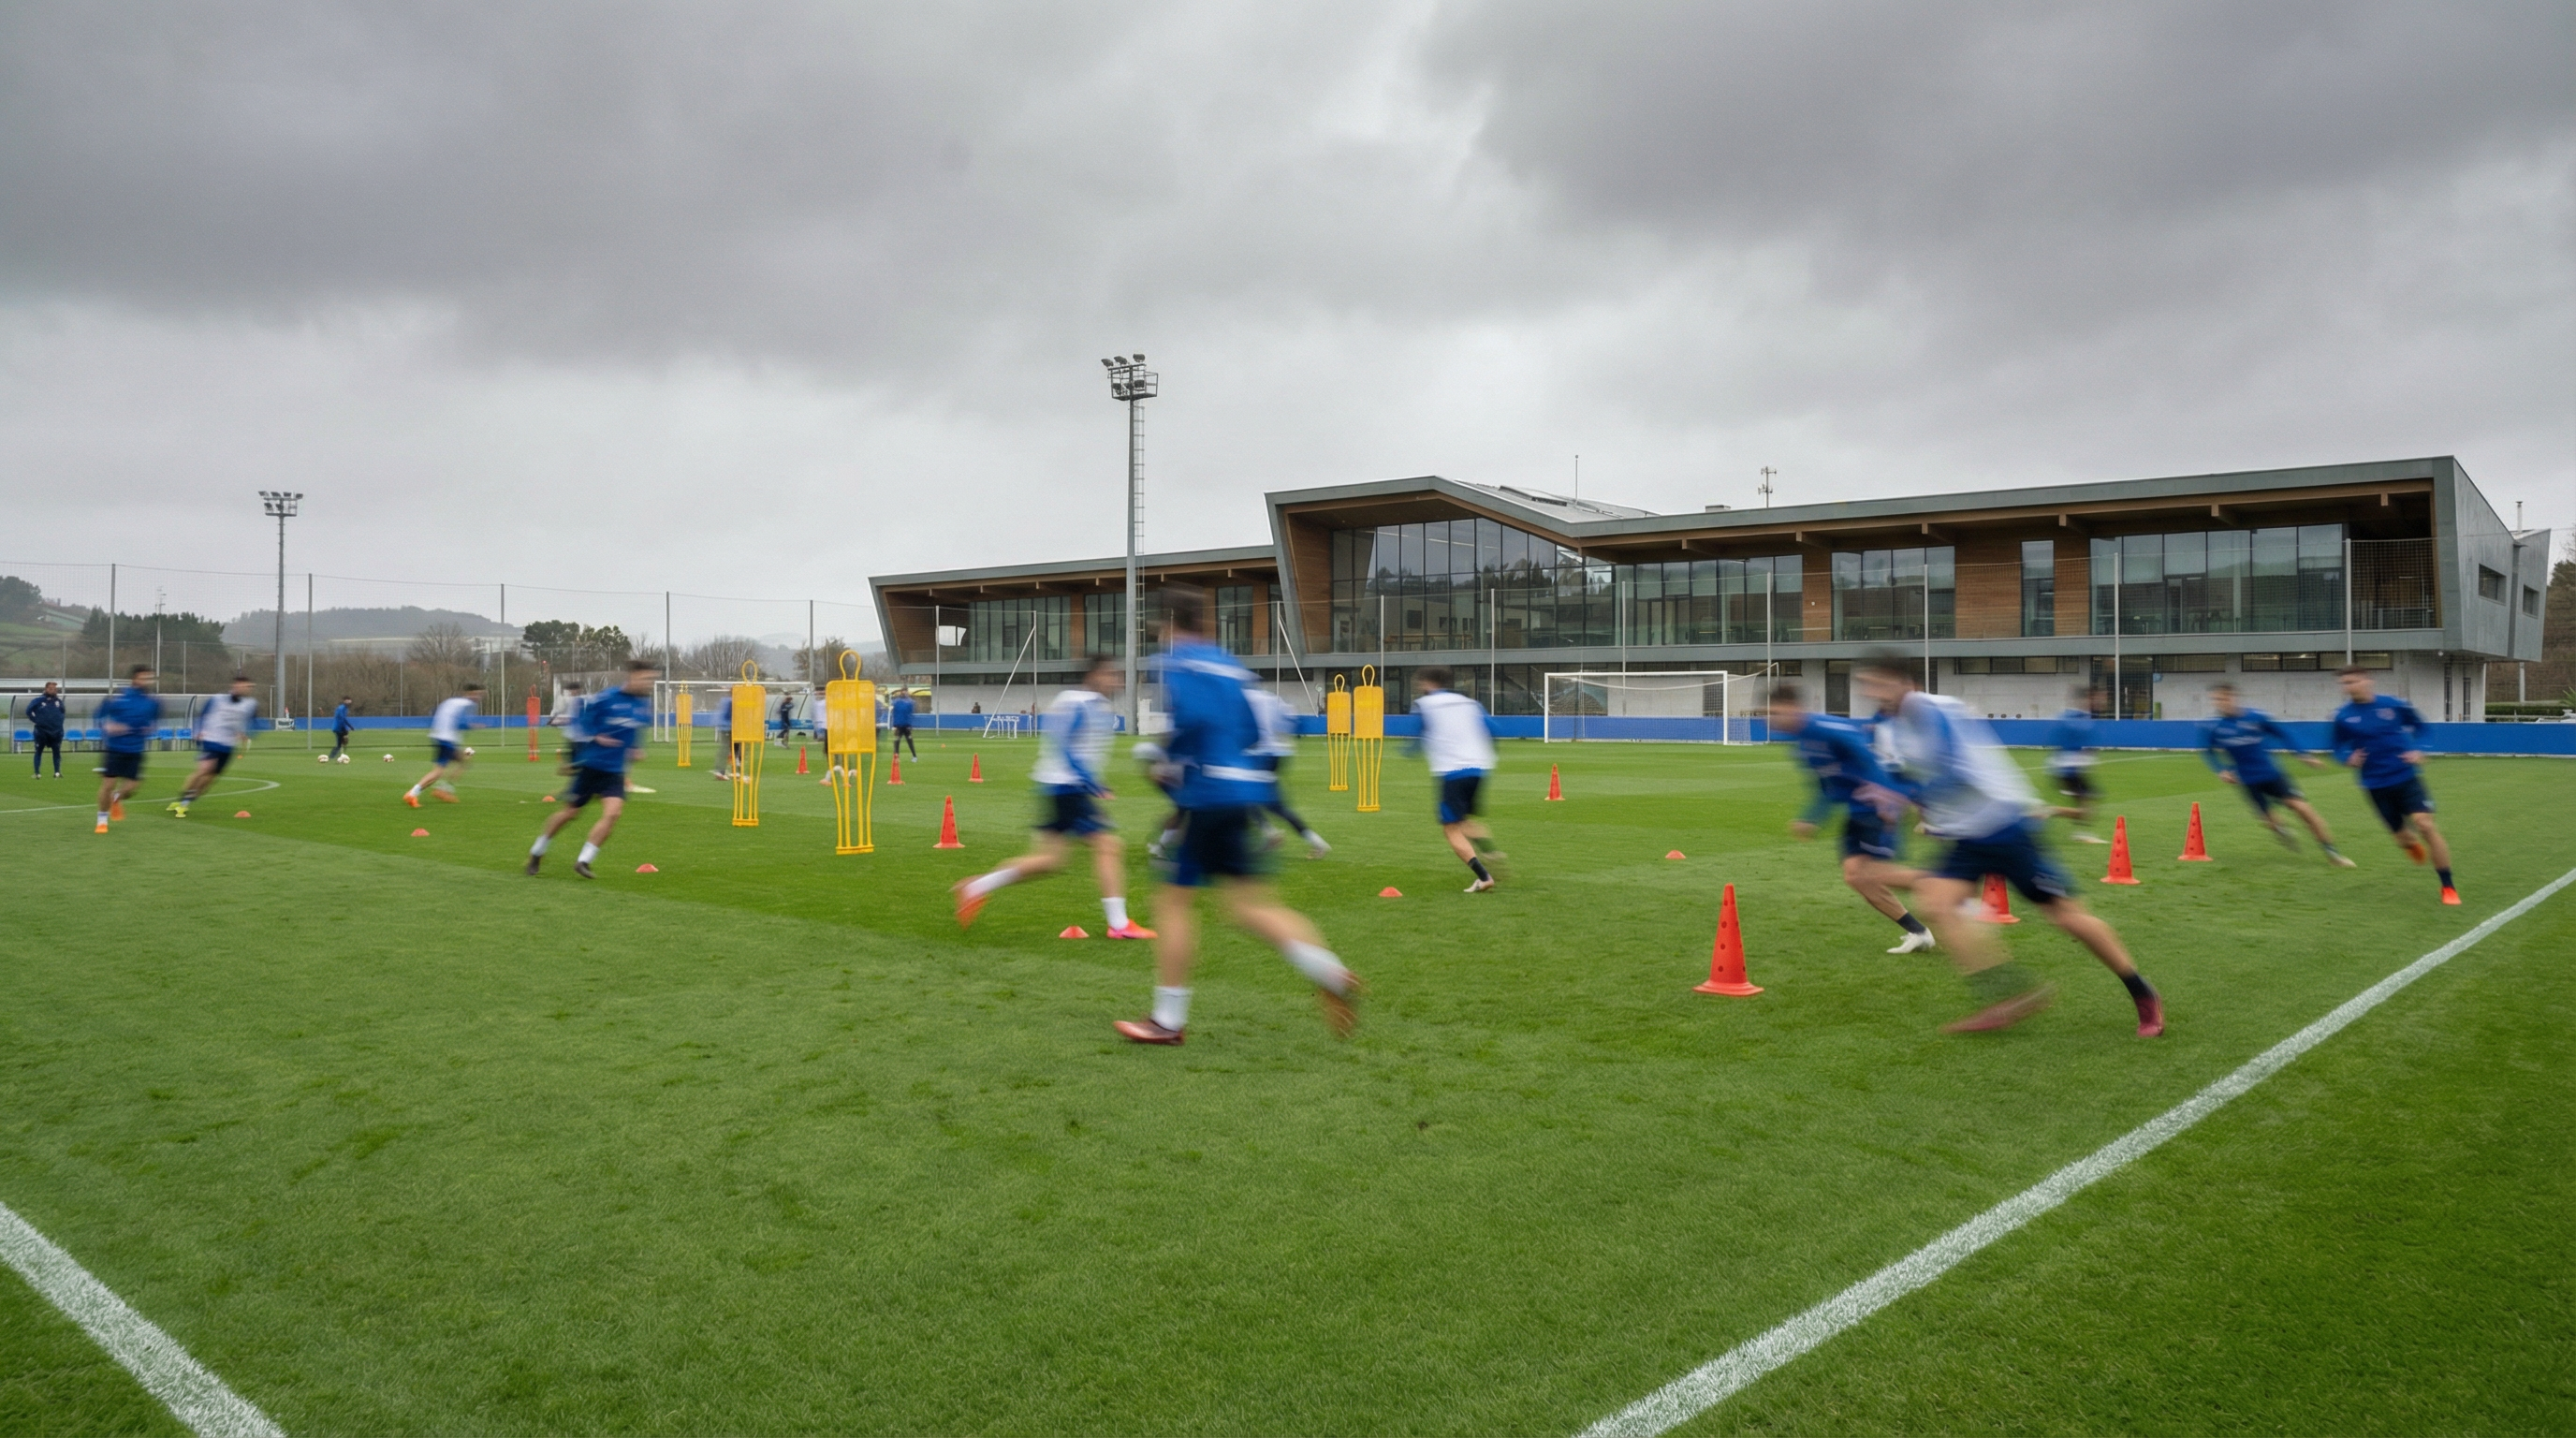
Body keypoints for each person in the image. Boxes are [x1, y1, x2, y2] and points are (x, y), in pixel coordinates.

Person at [1854, 652, 2162, 1036]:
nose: (1872, 692)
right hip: (1966, 836)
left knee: (2067, 917)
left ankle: (2141, 991)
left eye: (1879, 682)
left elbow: (1948, 768)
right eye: (1867, 684)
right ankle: (2006, 997)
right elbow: (1910, 776)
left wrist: (1905, 796)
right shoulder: (1896, 726)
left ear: (1905, 682)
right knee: (1936, 903)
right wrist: (1902, 799)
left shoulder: (1932, 710)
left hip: (2003, 825)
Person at [1113, 585, 1361, 1045]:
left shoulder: (1174, 662)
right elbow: (1249, 730)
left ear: (1166, 624)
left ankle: (1168, 1021)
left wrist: (1166, 758)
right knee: (1249, 907)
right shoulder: (1231, 665)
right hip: (1242, 791)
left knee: (1172, 902)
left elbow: (1190, 720)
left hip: (1205, 793)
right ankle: (1330, 971)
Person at [952, 653, 1155, 939]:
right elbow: (1063, 744)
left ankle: (975, 888)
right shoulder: (1079, 702)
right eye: (1110, 674)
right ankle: (1119, 925)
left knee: (1050, 860)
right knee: (1109, 846)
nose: (1116, 680)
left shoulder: (1089, 703)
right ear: (1093, 675)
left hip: (1057, 786)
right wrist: (1089, 780)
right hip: (1067, 788)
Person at [1767, 682, 1937, 953]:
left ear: (1794, 708)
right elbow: (1827, 789)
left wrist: (1889, 798)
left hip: (1876, 807)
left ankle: (1950, 886)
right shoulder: (1802, 746)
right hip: (1856, 811)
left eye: (1775, 712)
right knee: (1856, 877)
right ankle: (1919, 932)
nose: (1771, 719)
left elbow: (1869, 759)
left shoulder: (1827, 728)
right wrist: (1812, 818)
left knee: (1872, 873)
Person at [2331, 666, 2456, 903]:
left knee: (2425, 824)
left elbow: (2422, 728)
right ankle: (2410, 844)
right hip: (2375, 785)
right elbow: (2336, 747)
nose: (2349, 686)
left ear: (2368, 681)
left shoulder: (2393, 704)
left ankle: (2448, 887)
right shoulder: (2343, 716)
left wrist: (2419, 749)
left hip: (2406, 777)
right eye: (2345, 683)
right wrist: (2347, 758)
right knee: (2404, 840)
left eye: (2353, 681)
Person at [527, 660, 657, 879]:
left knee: (613, 813)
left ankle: (583, 860)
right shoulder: (607, 698)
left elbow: (637, 730)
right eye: (646, 679)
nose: (649, 684)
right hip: (592, 766)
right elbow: (581, 723)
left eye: (651, 680)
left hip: (614, 772)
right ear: (633, 677)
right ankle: (537, 852)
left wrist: (635, 748)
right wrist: (596, 735)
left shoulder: (642, 705)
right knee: (570, 813)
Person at [2202, 682, 2352, 865]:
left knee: (2304, 810)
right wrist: (2221, 769)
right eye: (2216, 699)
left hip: (2272, 775)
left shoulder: (2255, 717)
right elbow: (2207, 751)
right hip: (2247, 781)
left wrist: (2302, 754)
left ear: (2233, 697)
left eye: (2223, 698)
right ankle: (2280, 829)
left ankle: (2333, 855)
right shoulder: (2213, 726)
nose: (2220, 702)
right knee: (2272, 824)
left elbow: (2284, 734)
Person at [1412, 667, 1503, 891]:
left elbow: (1417, 740)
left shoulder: (1425, 705)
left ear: (1426, 683)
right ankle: (1490, 850)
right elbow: (1493, 730)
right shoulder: (1469, 703)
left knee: (1450, 828)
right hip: (1479, 768)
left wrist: (1411, 750)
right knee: (1461, 820)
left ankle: (1484, 877)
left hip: (1452, 771)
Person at [1250, 684, 1330, 858]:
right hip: (1277, 753)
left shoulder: (1242, 699)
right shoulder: (1270, 697)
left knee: (1244, 798)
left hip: (1259, 755)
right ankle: (1310, 841)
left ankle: (1273, 834)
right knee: (1260, 802)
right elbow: (1292, 719)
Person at [169, 675, 257, 816]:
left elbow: (253, 724)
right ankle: (183, 803)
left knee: (209, 780)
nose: (248, 689)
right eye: (246, 686)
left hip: (228, 745)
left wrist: (247, 733)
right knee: (204, 770)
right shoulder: (218, 699)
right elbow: (203, 715)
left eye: (250, 687)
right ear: (236, 686)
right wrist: (198, 731)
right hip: (211, 739)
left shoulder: (250, 704)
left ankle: (185, 800)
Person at [94, 666, 161, 833]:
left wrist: (150, 728)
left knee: (132, 788)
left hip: (136, 749)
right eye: (144, 678)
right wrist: (108, 726)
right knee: (108, 783)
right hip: (115, 748)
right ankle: (102, 820)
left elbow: (154, 722)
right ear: (135, 679)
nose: (147, 681)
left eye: (149, 678)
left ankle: (117, 798)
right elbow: (99, 717)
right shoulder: (118, 699)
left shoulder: (153, 702)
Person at [405, 682, 484, 807]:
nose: (479, 697)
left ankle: (442, 790)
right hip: (447, 739)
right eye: (478, 694)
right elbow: (460, 723)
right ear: (471, 693)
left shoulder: (452, 701)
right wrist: (473, 726)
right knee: (438, 772)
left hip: (439, 736)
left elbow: (436, 712)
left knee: (463, 763)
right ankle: (414, 793)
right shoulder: (467, 705)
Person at [2045, 686, 2106, 842]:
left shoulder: (2065, 716)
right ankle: (2051, 811)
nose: (2100, 701)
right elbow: (2083, 744)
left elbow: (2056, 740)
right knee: (2086, 806)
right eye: (2096, 698)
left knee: (2086, 802)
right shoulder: (2081, 719)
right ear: (2086, 699)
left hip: (2064, 768)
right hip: (2070, 770)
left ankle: (2079, 832)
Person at [26, 681, 66, 778]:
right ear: (46, 689)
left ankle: (57, 772)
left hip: (56, 732)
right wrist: (36, 720)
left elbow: (62, 712)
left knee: (57, 752)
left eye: (55, 689)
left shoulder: (58, 701)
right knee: (38, 751)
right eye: (51, 689)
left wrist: (59, 724)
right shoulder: (39, 700)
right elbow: (28, 711)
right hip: (42, 731)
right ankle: (37, 773)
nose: (54, 691)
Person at [887, 688, 920, 759]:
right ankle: (896, 756)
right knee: (897, 740)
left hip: (905, 725)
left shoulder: (906, 702)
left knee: (908, 740)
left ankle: (914, 756)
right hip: (899, 724)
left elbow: (910, 713)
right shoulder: (900, 702)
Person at [328, 696, 355, 761]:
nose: (349, 703)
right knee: (339, 743)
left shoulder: (344, 708)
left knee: (341, 743)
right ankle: (332, 756)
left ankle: (337, 756)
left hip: (339, 727)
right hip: (338, 728)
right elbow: (342, 719)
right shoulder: (341, 708)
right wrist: (346, 727)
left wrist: (348, 727)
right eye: (347, 701)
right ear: (344, 701)